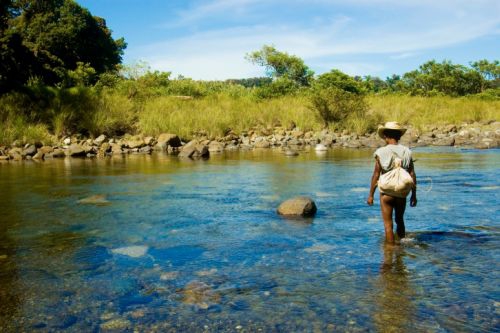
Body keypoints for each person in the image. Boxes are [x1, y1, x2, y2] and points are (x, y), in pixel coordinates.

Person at [367, 122, 417, 244]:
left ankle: (389, 251)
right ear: (399, 136)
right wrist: (414, 195)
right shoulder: (407, 152)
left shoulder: (381, 152)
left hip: (386, 193)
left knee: (388, 225)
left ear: (385, 136)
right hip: (401, 192)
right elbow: (412, 174)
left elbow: (376, 174)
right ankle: (401, 251)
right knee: (400, 220)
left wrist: (371, 195)